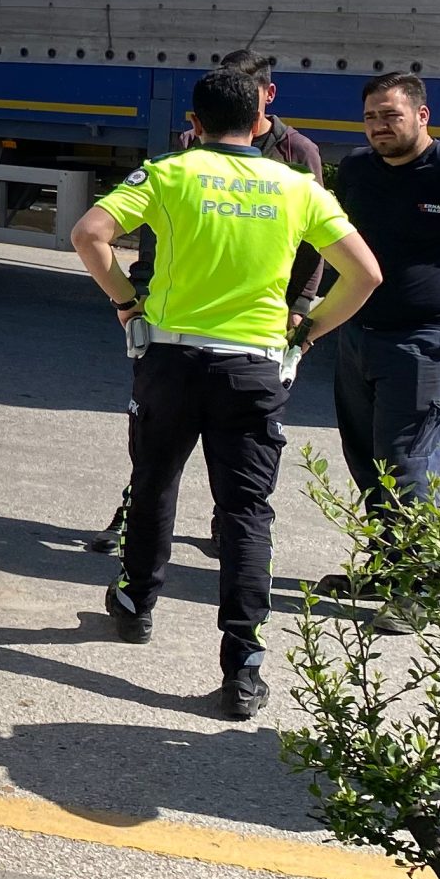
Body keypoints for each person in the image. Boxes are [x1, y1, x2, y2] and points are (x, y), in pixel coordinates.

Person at [70, 67, 382, 719]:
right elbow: (366, 274)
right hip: (255, 369)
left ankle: (136, 604)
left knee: (156, 483)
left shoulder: (169, 172)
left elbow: (89, 235)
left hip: (172, 359)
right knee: (246, 511)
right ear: (258, 117)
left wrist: (127, 304)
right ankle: (243, 665)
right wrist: (308, 332)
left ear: (196, 121)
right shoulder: (296, 185)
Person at [85, 48, 326, 554]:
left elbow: (315, 247)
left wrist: (302, 312)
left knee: (240, 457)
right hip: (174, 320)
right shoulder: (188, 149)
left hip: (256, 329)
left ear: (267, 95)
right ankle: (133, 516)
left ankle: (224, 526)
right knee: (155, 444)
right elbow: (159, 226)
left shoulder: (296, 155)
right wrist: (137, 295)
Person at [319, 73, 440, 598]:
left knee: (408, 461)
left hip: (428, 340)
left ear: (422, 116)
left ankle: (417, 589)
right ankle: (388, 567)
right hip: (360, 333)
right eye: (371, 116)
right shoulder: (354, 170)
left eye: (391, 115)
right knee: (368, 458)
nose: (379, 126)